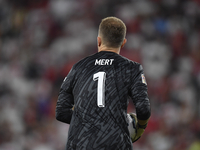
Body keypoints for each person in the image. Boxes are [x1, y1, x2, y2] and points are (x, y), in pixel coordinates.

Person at [56, 16, 151, 150]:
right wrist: (139, 127)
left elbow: (61, 111)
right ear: (123, 43)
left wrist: (90, 124)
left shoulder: (78, 67)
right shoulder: (132, 68)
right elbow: (143, 109)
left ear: (98, 41)